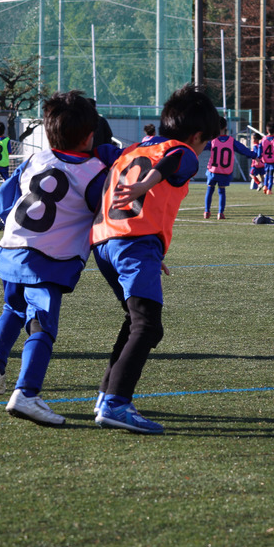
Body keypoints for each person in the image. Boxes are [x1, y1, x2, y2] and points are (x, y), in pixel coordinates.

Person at [0, 91, 115, 427]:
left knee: (12, 308)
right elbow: (106, 213)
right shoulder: (94, 172)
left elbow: (2, 202)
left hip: (11, 248)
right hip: (48, 258)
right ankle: (26, 393)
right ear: (90, 137)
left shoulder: (36, 159)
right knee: (42, 325)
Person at [89, 84, 221, 434]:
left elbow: (99, 151)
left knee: (135, 320)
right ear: (197, 135)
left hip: (105, 243)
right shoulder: (182, 150)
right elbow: (177, 160)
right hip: (134, 245)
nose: (203, 150)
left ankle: (106, 396)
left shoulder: (132, 148)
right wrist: (145, 185)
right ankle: (116, 403)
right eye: (205, 143)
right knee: (148, 326)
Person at [203, 117, 258, 219]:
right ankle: (220, 213)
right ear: (225, 127)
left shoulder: (212, 141)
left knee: (210, 190)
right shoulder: (231, 141)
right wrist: (254, 155)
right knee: (221, 191)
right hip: (224, 172)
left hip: (213, 171)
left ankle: (207, 211)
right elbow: (243, 150)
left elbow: (201, 146)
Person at [259, 123, 274, 195]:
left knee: (267, 173)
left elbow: (260, 148)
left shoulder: (263, 139)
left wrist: (259, 156)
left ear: (267, 130)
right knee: (271, 174)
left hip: (266, 159)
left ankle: (265, 186)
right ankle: (269, 189)